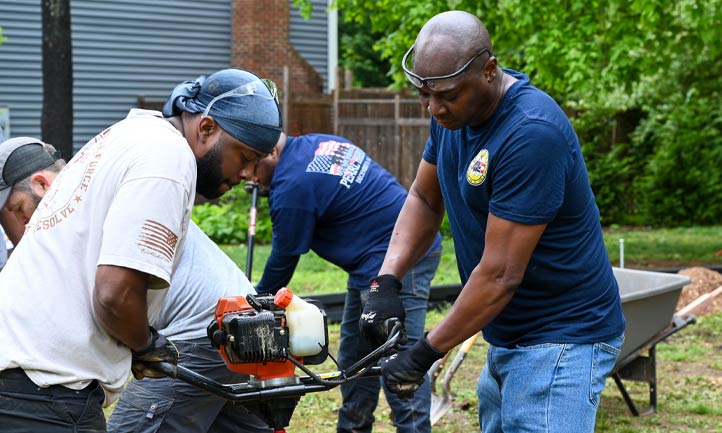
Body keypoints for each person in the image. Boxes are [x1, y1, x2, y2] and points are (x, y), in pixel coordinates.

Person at [360, 11, 626, 433]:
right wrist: (386, 281)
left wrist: (423, 353)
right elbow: (425, 199)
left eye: (445, 95)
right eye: (423, 95)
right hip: (507, 333)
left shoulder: (531, 134)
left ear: (488, 70)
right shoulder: (453, 114)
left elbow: (501, 273)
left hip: (562, 336)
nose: (433, 108)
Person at [0, 68, 282, 432]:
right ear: (207, 128)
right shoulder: (168, 158)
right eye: (245, 156)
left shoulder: (124, 137)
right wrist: (146, 344)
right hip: (47, 394)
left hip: (22, 375)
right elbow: (115, 295)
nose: (248, 173)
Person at [251, 132, 443, 433]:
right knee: (355, 357)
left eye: (251, 165)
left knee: (401, 362)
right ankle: (353, 428)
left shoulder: (292, 187)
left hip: (404, 256)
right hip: (370, 261)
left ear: (272, 152)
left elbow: (284, 257)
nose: (247, 177)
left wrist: (255, 302)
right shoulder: (315, 142)